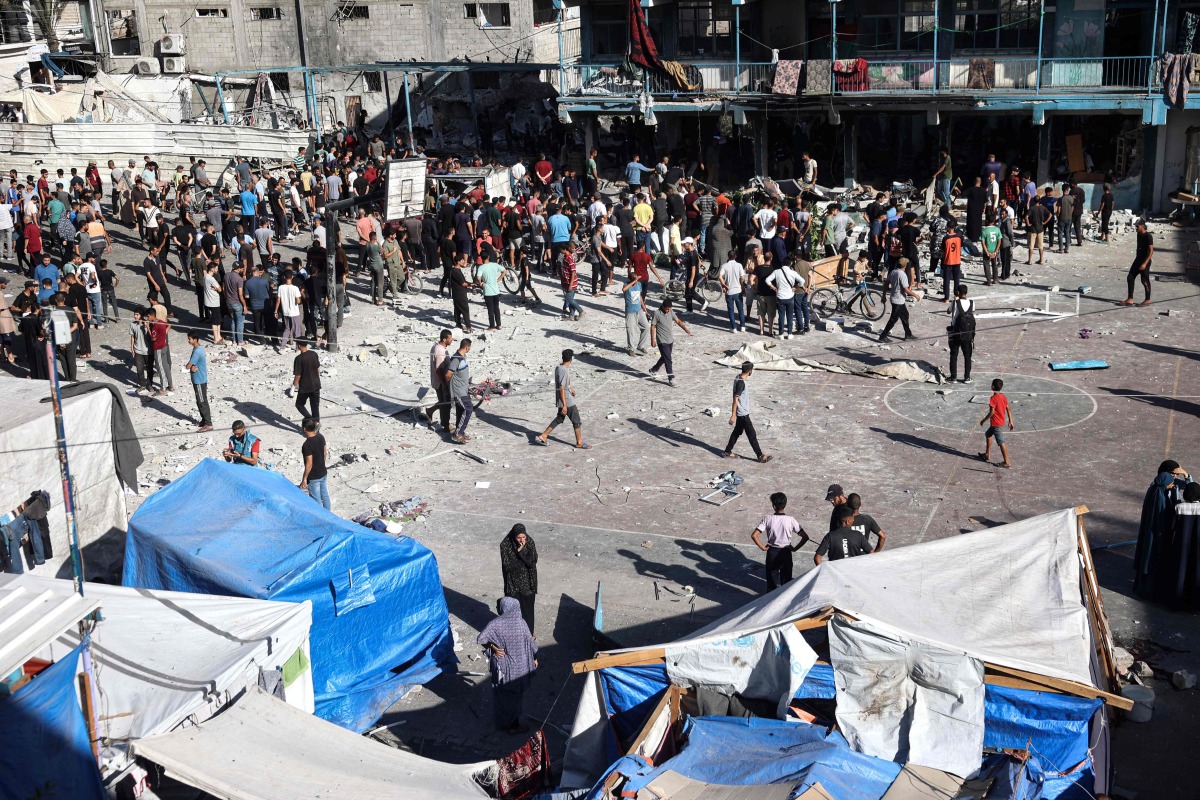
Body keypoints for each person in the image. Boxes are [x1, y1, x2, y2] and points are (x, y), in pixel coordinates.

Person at [476, 596, 538, 735]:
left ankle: (505, 723)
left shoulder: (495, 624)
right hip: (520, 669)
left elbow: (481, 638)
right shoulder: (521, 623)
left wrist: (492, 646)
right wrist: (535, 658)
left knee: (502, 697)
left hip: (502, 669)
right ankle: (514, 726)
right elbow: (531, 643)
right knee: (516, 698)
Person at [1132, 460, 1192, 601]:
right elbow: (1162, 517)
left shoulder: (1159, 487)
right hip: (1158, 535)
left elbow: (1190, 488)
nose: (1174, 481)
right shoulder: (1160, 496)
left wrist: (1186, 474)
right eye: (1173, 475)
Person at [750, 492, 810, 591]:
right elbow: (805, 537)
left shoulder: (768, 519)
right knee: (787, 584)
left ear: (773, 506)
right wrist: (795, 548)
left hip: (772, 552)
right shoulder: (791, 520)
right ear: (785, 504)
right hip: (786, 552)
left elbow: (754, 535)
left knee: (771, 583)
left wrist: (763, 548)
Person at [534, 349, 589, 449]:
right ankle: (579, 442)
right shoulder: (564, 370)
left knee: (559, 419)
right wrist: (564, 405)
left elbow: (565, 384)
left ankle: (543, 436)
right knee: (576, 421)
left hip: (563, 398)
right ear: (571, 359)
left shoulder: (559, 367)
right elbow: (562, 388)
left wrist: (571, 389)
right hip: (567, 401)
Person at [723, 361, 772, 463]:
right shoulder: (741, 383)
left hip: (741, 412)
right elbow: (735, 399)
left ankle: (727, 451)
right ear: (750, 371)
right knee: (751, 434)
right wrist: (733, 415)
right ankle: (760, 456)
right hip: (743, 414)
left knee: (736, 432)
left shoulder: (737, 377)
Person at [499, 524, 538, 631]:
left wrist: (521, 552)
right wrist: (522, 560)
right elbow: (508, 567)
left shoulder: (529, 542)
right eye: (518, 538)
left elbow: (532, 562)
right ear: (514, 536)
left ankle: (529, 634)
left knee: (528, 611)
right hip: (513, 585)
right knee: (513, 612)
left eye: (523, 537)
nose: (521, 540)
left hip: (528, 585)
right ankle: (514, 635)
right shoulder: (505, 545)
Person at [649, 298, 691, 386]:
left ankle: (654, 369)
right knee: (668, 360)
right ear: (663, 307)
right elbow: (653, 326)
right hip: (662, 341)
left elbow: (678, 321)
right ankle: (671, 378)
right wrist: (652, 340)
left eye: (670, 309)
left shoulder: (671, 312)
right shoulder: (657, 313)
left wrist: (685, 329)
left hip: (670, 340)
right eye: (667, 309)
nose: (668, 310)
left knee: (665, 357)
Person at [879, 258, 918, 342]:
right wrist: (916, 295)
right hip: (898, 301)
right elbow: (906, 289)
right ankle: (883, 336)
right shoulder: (902, 275)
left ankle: (908, 334)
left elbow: (886, 283)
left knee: (905, 315)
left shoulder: (893, 272)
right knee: (893, 319)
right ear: (905, 265)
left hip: (895, 299)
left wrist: (884, 295)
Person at [978, 377, 1014, 468]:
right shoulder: (1003, 396)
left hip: (996, 424)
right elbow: (1008, 409)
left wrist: (983, 420)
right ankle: (987, 454)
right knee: (988, 435)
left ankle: (1007, 462)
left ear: (993, 387)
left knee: (1001, 441)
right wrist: (1011, 421)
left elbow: (992, 412)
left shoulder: (993, 398)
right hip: (1000, 422)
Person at [444, 337, 473, 444]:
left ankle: (460, 430)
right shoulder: (456, 359)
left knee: (461, 411)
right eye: (469, 348)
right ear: (467, 347)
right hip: (458, 391)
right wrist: (449, 387)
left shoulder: (463, 357)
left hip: (463, 390)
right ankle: (458, 433)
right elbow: (448, 374)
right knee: (468, 409)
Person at [299, 418, 331, 510]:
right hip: (323, 472)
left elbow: (309, 463)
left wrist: (304, 478)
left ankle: (321, 520)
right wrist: (321, 464)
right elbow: (325, 453)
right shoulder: (320, 437)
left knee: (316, 501)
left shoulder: (307, 445)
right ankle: (329, 516)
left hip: (314, 477)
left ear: (304, 429)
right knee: (325, 496)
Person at [1119, 221, 1152, 307]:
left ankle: (1147, 299)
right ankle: (1130, 299)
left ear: (1142, 226)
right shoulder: (1138, 234)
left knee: (1144, 280)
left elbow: (1151, 251)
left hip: (1145, 261)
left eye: (1137, 226)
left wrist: (1145, 263)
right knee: (1130, 277)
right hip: (1138, 260)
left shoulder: (1148, 236)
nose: (1136, 228)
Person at [947, 285, 976, 384]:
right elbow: (972, 312)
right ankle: (967, 377)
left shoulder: (955, 302)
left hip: (956, 332)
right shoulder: (972, 302)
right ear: (966, 293)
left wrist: (955, 300)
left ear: (958, 292)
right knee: (967, 356)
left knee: (954, 355)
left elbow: (948, 311)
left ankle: (953, 377)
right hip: (968, 333)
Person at [185, 331, 213, 431]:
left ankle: (208, 423)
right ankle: (204, 421)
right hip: (198, 379)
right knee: (199, 401)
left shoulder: (197, 351)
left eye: (190, 339)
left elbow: (188, 365)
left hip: (199, 380)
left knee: (202, 401)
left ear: (195, 339)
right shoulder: (199, 348)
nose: (188, 341)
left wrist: (190, 366)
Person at [427, 329, 453, 431]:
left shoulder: (436, 346)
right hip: (440, 382)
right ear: (444, 339)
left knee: (443, 402)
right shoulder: (440, 350)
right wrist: (444, 384)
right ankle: (445, 425)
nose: (451, 340)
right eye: (450, 338)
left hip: (438, 381)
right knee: (445, 404)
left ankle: (430, 410)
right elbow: (439, 369)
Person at [621, 269, 650, 357]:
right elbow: (624, 289)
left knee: (646, 327)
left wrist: (644, 308)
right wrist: (634, 281)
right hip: (630, 312)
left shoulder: (639, 284)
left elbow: (640, 297)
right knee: (631, 331)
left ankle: (641, 346)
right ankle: (631, 349)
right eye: (634, 279)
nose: (636, 282)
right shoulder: (626, 284)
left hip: (639, 310)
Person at [146, 306, 174, 395]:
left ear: (151, 316)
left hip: (158, 348)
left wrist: (148, 328)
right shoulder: (161, 322)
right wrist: (163, 335)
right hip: (164, 346)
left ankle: (163, 387)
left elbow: (153, 338)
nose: (147, 318)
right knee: (166, 366)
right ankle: (171, 385)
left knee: (160, 367)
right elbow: (169, 325)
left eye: (148, 316)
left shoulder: (155, 326)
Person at [291, 338, 321, 422]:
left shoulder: (298, 359)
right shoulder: (314, 354)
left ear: (299, 346)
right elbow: (318, 369)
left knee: (299, 404)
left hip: (305, 387)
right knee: (315, 407)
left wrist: (293, 386)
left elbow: (298, 375)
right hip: (316, 385)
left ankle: (310, 418)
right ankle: (316, 424)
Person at [718, 250, 746, 332]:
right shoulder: (739, 265)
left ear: (728, 256)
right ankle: (742, 326)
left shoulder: (725, 266)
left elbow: (720, 276)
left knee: (731, 311)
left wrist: (724, 284)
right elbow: (742, 277)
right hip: (738, 290)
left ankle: (734, 328)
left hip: (729, 291)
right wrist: (742, 285)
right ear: (735, 256)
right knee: (740, 309)